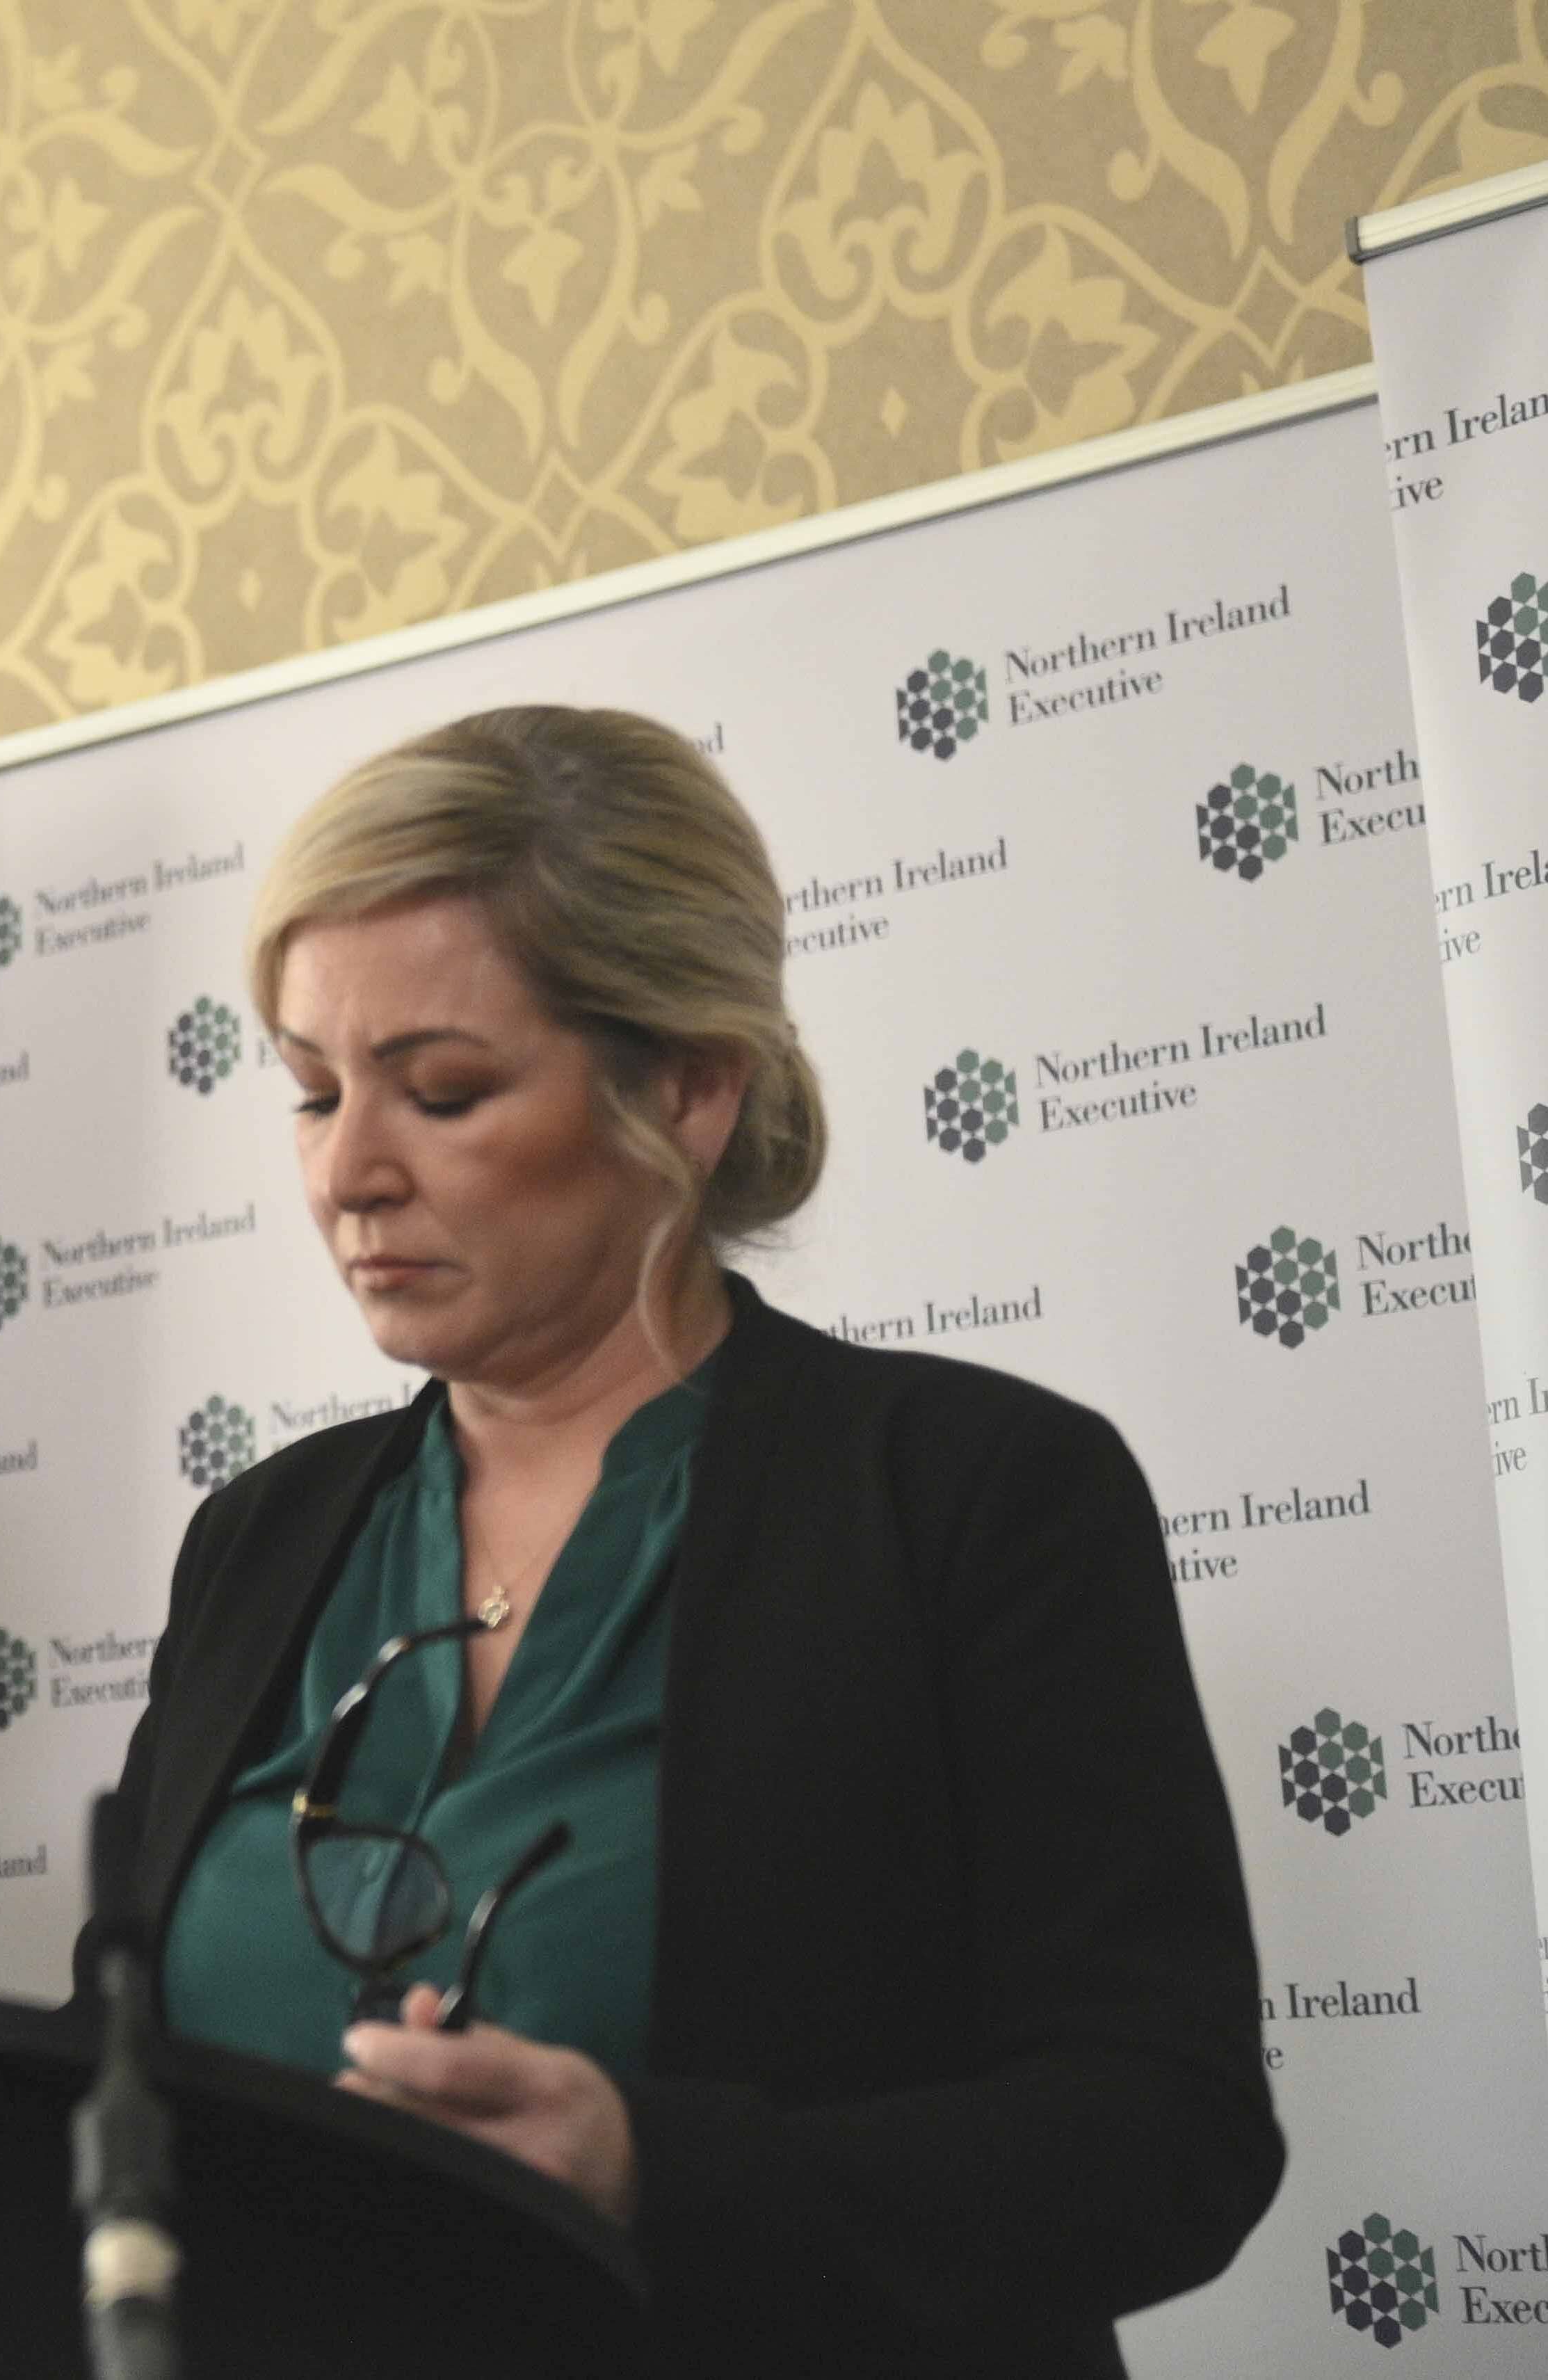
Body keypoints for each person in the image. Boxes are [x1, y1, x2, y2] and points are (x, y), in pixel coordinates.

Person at [99, 707, 1279, 2374]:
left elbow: (1167, 2133)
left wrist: (655, 2168)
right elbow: (113, 2083)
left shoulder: (977, 1495)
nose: (347, 1171)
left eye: (441, 1092)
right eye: (309, 1092)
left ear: (689, 1085)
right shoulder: (256, 1538)